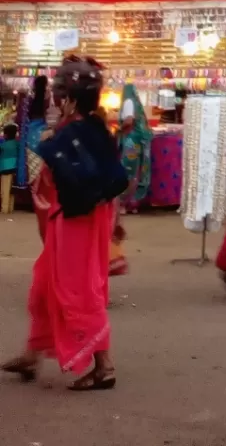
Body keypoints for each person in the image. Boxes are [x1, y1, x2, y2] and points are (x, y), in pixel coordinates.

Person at [2, 56, 127, 391]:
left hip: (74, 222)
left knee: (77, 290)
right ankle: (32, 355)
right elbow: (113, 183)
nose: (56, 102)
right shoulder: (99, 130)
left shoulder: (68, 135)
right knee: (45, 284)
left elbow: (51, 186)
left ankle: (104, 366)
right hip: (87, 219)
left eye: (59, 96)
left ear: (70, 99)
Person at [118, 83, 152, 211]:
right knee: (138, 170)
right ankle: (135, 201)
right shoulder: (136, 103)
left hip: (131, 141)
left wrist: (119, 130)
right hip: (140, 140)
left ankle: (124, 202)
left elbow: (128, 120)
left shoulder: (128, 102)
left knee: (128, 171)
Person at [0, 123, 18, 214]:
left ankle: (5, 209)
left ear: (6, 135)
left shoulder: (4, 145)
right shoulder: (17, 144)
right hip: (15, 169)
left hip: (4, 169)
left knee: (4, 190)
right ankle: (10, 207)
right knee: (11, 189)